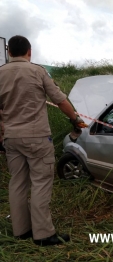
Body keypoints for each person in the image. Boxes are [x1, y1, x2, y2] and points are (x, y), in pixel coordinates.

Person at [0, 35, 85, 246]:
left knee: (17, 183)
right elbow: (60, 100)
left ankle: (21, 231)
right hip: (37, 137)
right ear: (29, 51)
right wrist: (75, 119)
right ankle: (43, 234)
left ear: (9, 51)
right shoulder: (38, 71)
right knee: (41, 183)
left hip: (11, 138)